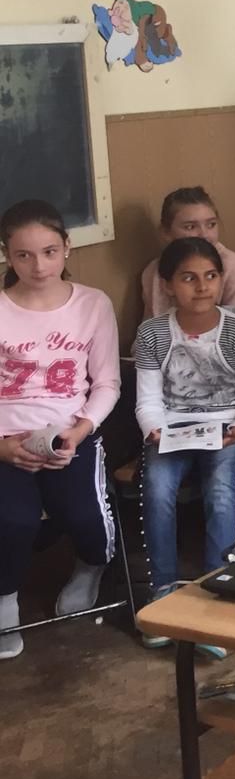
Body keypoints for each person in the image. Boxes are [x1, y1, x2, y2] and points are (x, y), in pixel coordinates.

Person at [133, 238, 235, 652]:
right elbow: (148, 400)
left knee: (220, 488)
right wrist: (154, 429)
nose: (202, 286)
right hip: (171, 428)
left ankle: (217, 591)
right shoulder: (153, 333)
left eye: (211, 276)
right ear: (168, 284)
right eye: (188, 278)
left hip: (227, 426)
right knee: (157, 488)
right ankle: (163, 589)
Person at [0, 200, 121, 660]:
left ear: (67, 247)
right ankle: (5, 602)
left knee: (87, 517)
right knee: (13, 520)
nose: (39, 266)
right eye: (24, 255)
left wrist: (80, 431)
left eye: (49, 252)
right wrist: (2, 448)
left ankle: (89, 569)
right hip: (6, 441)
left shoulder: (92, 304)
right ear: (7, 256)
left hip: (70, 434)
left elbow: (107, 383)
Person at [140, 186, 235, 318]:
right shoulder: (153, 271)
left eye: (211, 224)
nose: (204, 235)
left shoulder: (234, 268)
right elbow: (149, 325)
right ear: (166, 232)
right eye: (190, 227)